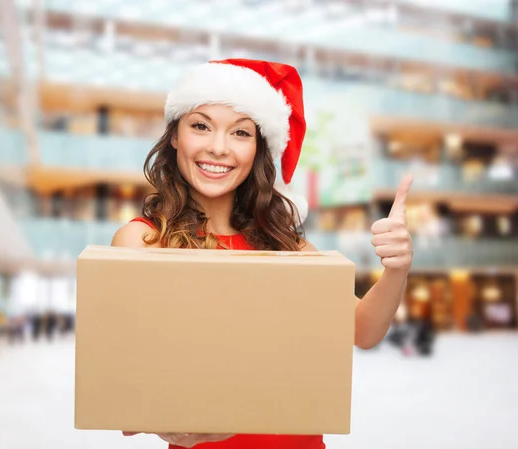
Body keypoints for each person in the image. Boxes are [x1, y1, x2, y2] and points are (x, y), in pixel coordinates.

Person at [111, 59, 414, 449]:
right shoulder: (143, 242)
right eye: (200, 125)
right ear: (174, 136)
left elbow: (363, 330)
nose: (218, 148)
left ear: (258, 149)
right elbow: (126, 371)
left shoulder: (287, 245)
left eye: (240, 133)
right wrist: (160, 419)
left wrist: (396, 269)